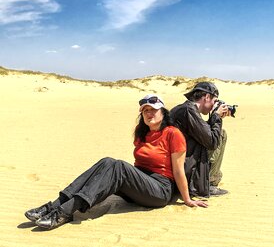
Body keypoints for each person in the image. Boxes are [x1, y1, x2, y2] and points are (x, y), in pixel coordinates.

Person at [24, 94, 208, 230]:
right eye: (145, 111)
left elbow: (178, 171)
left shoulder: (172, 133)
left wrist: (187, 200)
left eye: (153, 109)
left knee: (118, 166)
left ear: (163, 111)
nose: (149, 113)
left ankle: (65, 212)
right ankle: (55, 205)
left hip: (160, 190)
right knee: (107, 162)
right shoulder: (141, 131)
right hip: (140, 184)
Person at [170, 82, 229, 197]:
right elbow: (211, 141)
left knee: (218, 133)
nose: (214, 105)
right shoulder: (189, 111)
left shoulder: (185, 109)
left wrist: (215, 117)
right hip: (181, 168)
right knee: (221, 134)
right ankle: (209, 182)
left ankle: (209, 178)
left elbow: (200, 132)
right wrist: (216, 117)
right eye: (214, 101)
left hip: (178, 164)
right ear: (207, 97)